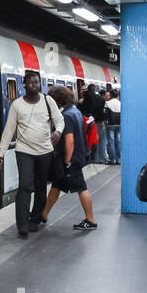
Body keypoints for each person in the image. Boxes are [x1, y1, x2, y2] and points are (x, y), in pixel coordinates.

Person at [0, 70, 64, 238]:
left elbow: (59, 120)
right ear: (24, 85)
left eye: (37, 82)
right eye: (31, 82)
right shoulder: (17, 105)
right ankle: (22, 224)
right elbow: (9, 130)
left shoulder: (48, 101)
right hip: (24, 151)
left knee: (41, 187)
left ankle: (35, 218)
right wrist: (1, 152)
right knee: (25, 185)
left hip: (45, 151)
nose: (35, 85)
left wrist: (58, 132)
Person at [39, 87, 97, 230]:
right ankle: (43, 215)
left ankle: (90, 220)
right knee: (56, 186)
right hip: (76, 157)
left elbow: (69, 140)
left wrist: (67, 161)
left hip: (71, 160)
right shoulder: (75, 111)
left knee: (81, 188)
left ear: (58, 100)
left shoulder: (66, 115)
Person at [81, 84, 107, 164]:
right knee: (102, 141)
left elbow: (84, 111)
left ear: (88, 90)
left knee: (93, 140)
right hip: (100, 121)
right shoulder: (101, 99)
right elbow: (102, 111)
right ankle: (102, 158)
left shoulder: (87, 99)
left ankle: (95, 158)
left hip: (91, 122)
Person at [104, 89, 121, 163]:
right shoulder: (120, 103)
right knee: (118, 141)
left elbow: (105, 113)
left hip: (110, 124)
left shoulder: (107, 103)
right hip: (119, 124)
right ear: (117, 96)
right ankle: (119, 159)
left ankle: (112, 159)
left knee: (111, 141)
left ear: (110, 95)